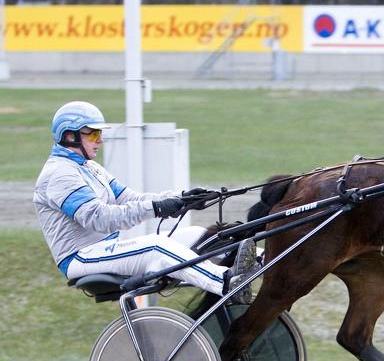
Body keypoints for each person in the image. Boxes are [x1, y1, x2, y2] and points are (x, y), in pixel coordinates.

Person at [33, 101, 258, 304]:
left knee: (198, 235)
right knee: (157, 245)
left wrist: (180, 198)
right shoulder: (60, 174)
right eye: (92, 134)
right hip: (81, 257)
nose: (100, 140)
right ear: (69, 136)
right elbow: (100, 219)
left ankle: (264, 261)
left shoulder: (89, 168)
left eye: (99, 133)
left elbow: (131, 199)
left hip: (104, 249)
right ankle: (227, 284)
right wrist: (157, 209)